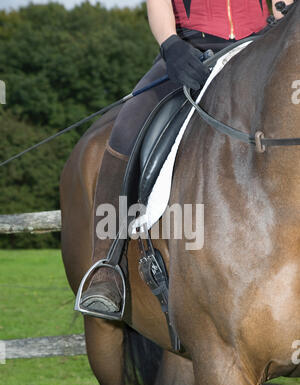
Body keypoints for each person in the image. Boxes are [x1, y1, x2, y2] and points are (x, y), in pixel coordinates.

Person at [80, 0, 293, 316]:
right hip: (192, 52)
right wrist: (170, 44)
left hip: (262, 49)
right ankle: (106, 263)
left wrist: (284, 20)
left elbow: (282, 5)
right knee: (126, 128)